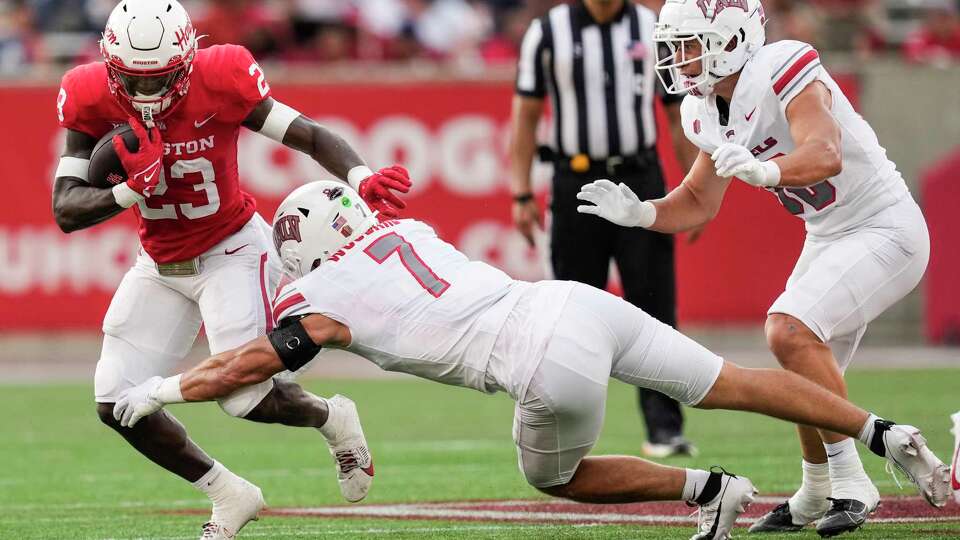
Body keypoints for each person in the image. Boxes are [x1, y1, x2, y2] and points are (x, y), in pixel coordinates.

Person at [114, 181, 950, 540]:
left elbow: (245, 366)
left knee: (555, 476)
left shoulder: (327, 299)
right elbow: (366, 223)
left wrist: (157, 387)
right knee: (737, 383)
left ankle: (710, 490)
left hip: (541, 356)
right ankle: (884, 430)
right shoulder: (406, 233)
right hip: (573, 300)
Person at [51, 1, 410, 537]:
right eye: (133, 81)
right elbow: (66, 207)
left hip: (231, 249)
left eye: (161, 79)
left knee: (243, 397)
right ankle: (229, 494)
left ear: (188, 61)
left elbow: (307, 134)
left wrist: (359, 176)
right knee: (114, 401)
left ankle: (332, 417)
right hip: (160, 261)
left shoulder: (222, 75)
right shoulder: (87, 92)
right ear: (109, 66)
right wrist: (129, 189)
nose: (147, 95)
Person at [576, 0, 932, 535]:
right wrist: (643, 213)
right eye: (674, 45)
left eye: (690, 43)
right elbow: (698, 200)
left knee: (787, 330)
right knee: (800, 369)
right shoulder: (702, 109)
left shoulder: (781, 64)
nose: (678, 56)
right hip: (830, 234)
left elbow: (825, 151)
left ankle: (851, 480)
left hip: (884, 226)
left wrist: (767, 170)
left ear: (732, 38)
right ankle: (814, 493)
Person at [510, 0, 701, 458]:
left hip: (640, 179)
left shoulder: (652, 27)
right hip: (576, 181)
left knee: (654, 303)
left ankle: (664, 430)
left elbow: (676, 114)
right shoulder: (548, 31)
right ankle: (566, 429)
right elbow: (526, 116)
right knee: (572, 312)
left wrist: (695, 193)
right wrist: (520, 193)